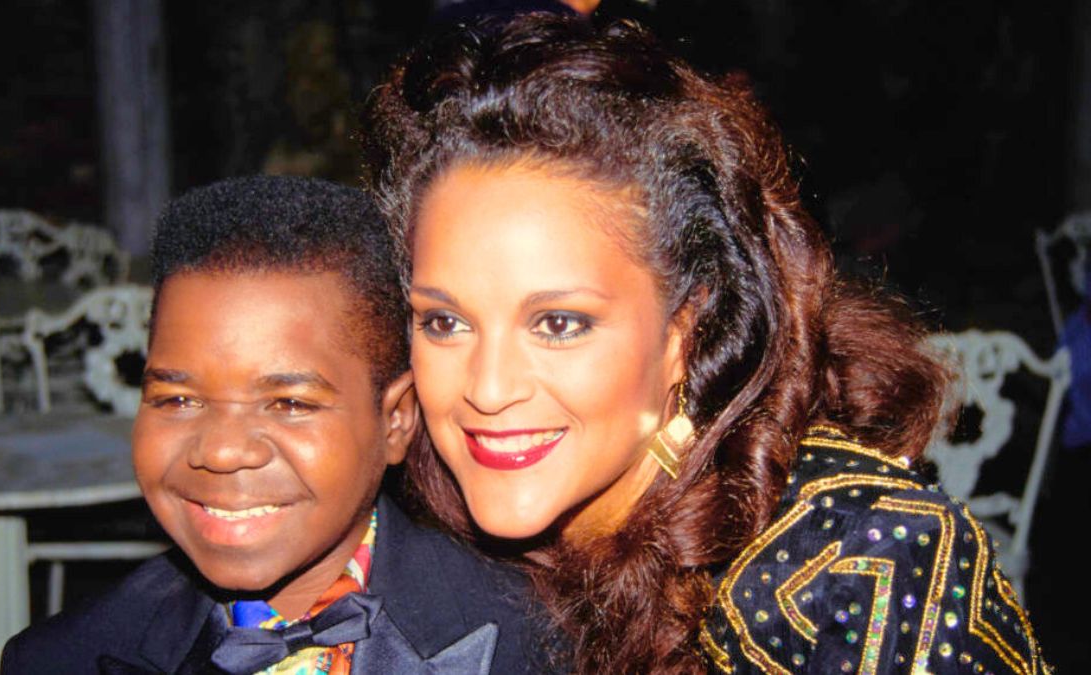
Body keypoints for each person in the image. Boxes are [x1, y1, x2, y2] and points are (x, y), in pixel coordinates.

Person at [363, 14, 1049, 673]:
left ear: (684, 331)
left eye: (560, 323)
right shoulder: (412, 530)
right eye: (445, 322)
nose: (487, 386)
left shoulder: (856, 568)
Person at [2, 176, 551, 674]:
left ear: (396, 420)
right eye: (178, 399)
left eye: (289, 403)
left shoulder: (541, 642)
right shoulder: (61, 658)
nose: (221, 451)